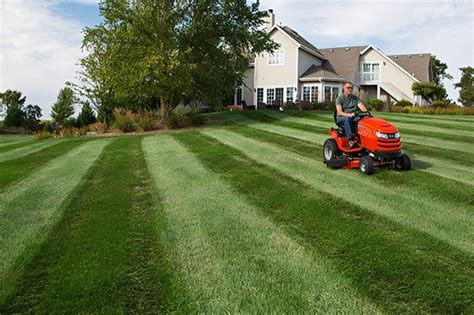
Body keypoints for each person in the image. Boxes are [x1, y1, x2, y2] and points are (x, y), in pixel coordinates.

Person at [335, 82, 368, 148]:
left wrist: (367, 113)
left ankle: (365, 138)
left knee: (364, 118)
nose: (350, 89)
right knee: (347, 119)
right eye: (348, 88)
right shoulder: (339, 99)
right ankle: (350, 140)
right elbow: (339, 112)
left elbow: (362, 107)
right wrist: (349, 115)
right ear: (343, 88)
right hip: (341, 117)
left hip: (353, 116)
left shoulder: (355, 98)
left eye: (351, 88)